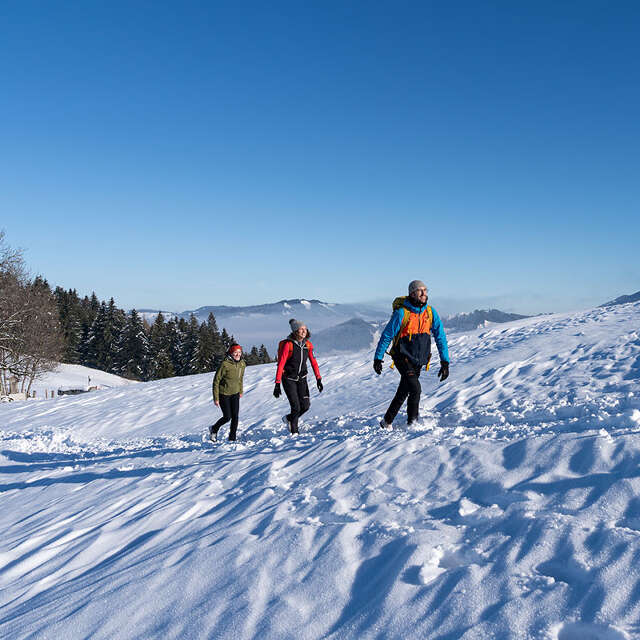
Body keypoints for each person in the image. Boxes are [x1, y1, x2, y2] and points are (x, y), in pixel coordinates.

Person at [373, 280, 449, 428]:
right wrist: (378, 357)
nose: (424, 294)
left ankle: (386, 422)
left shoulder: (430, 313)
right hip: (402, 356)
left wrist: (444, 362)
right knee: (415, 388)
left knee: (404, 390)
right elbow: (387, 335)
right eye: (420, 291)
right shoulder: (402, 313)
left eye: (425, 290)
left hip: (419, 359)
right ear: (412, 293)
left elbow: (440, 337)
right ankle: (412, 423)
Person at [273, 319, 323, 434]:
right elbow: (280, 364)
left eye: (305, 329)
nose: (303, 331)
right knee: (295, 407)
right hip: (289, 379)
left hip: (302, 379)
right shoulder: (288, 345)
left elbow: (313, 362)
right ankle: (295, 433)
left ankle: (290, 418)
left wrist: (318, 379)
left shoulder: (308, 345)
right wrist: (277, 383)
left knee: (305, 406)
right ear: (295, 331)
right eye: (301, 329)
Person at [210, 344, 246, 441]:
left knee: (235, 417)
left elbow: (240, 379)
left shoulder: (242, 364)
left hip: (235, 393)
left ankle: (232, 438)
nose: (238, 354)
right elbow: (216, 381)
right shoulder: (224, 364)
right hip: (224, 394)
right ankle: (214, 428)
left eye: (239, 352)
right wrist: (216, 398)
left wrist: (241, 390)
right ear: (231, 353)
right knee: (227, 417)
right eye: (235, 352)